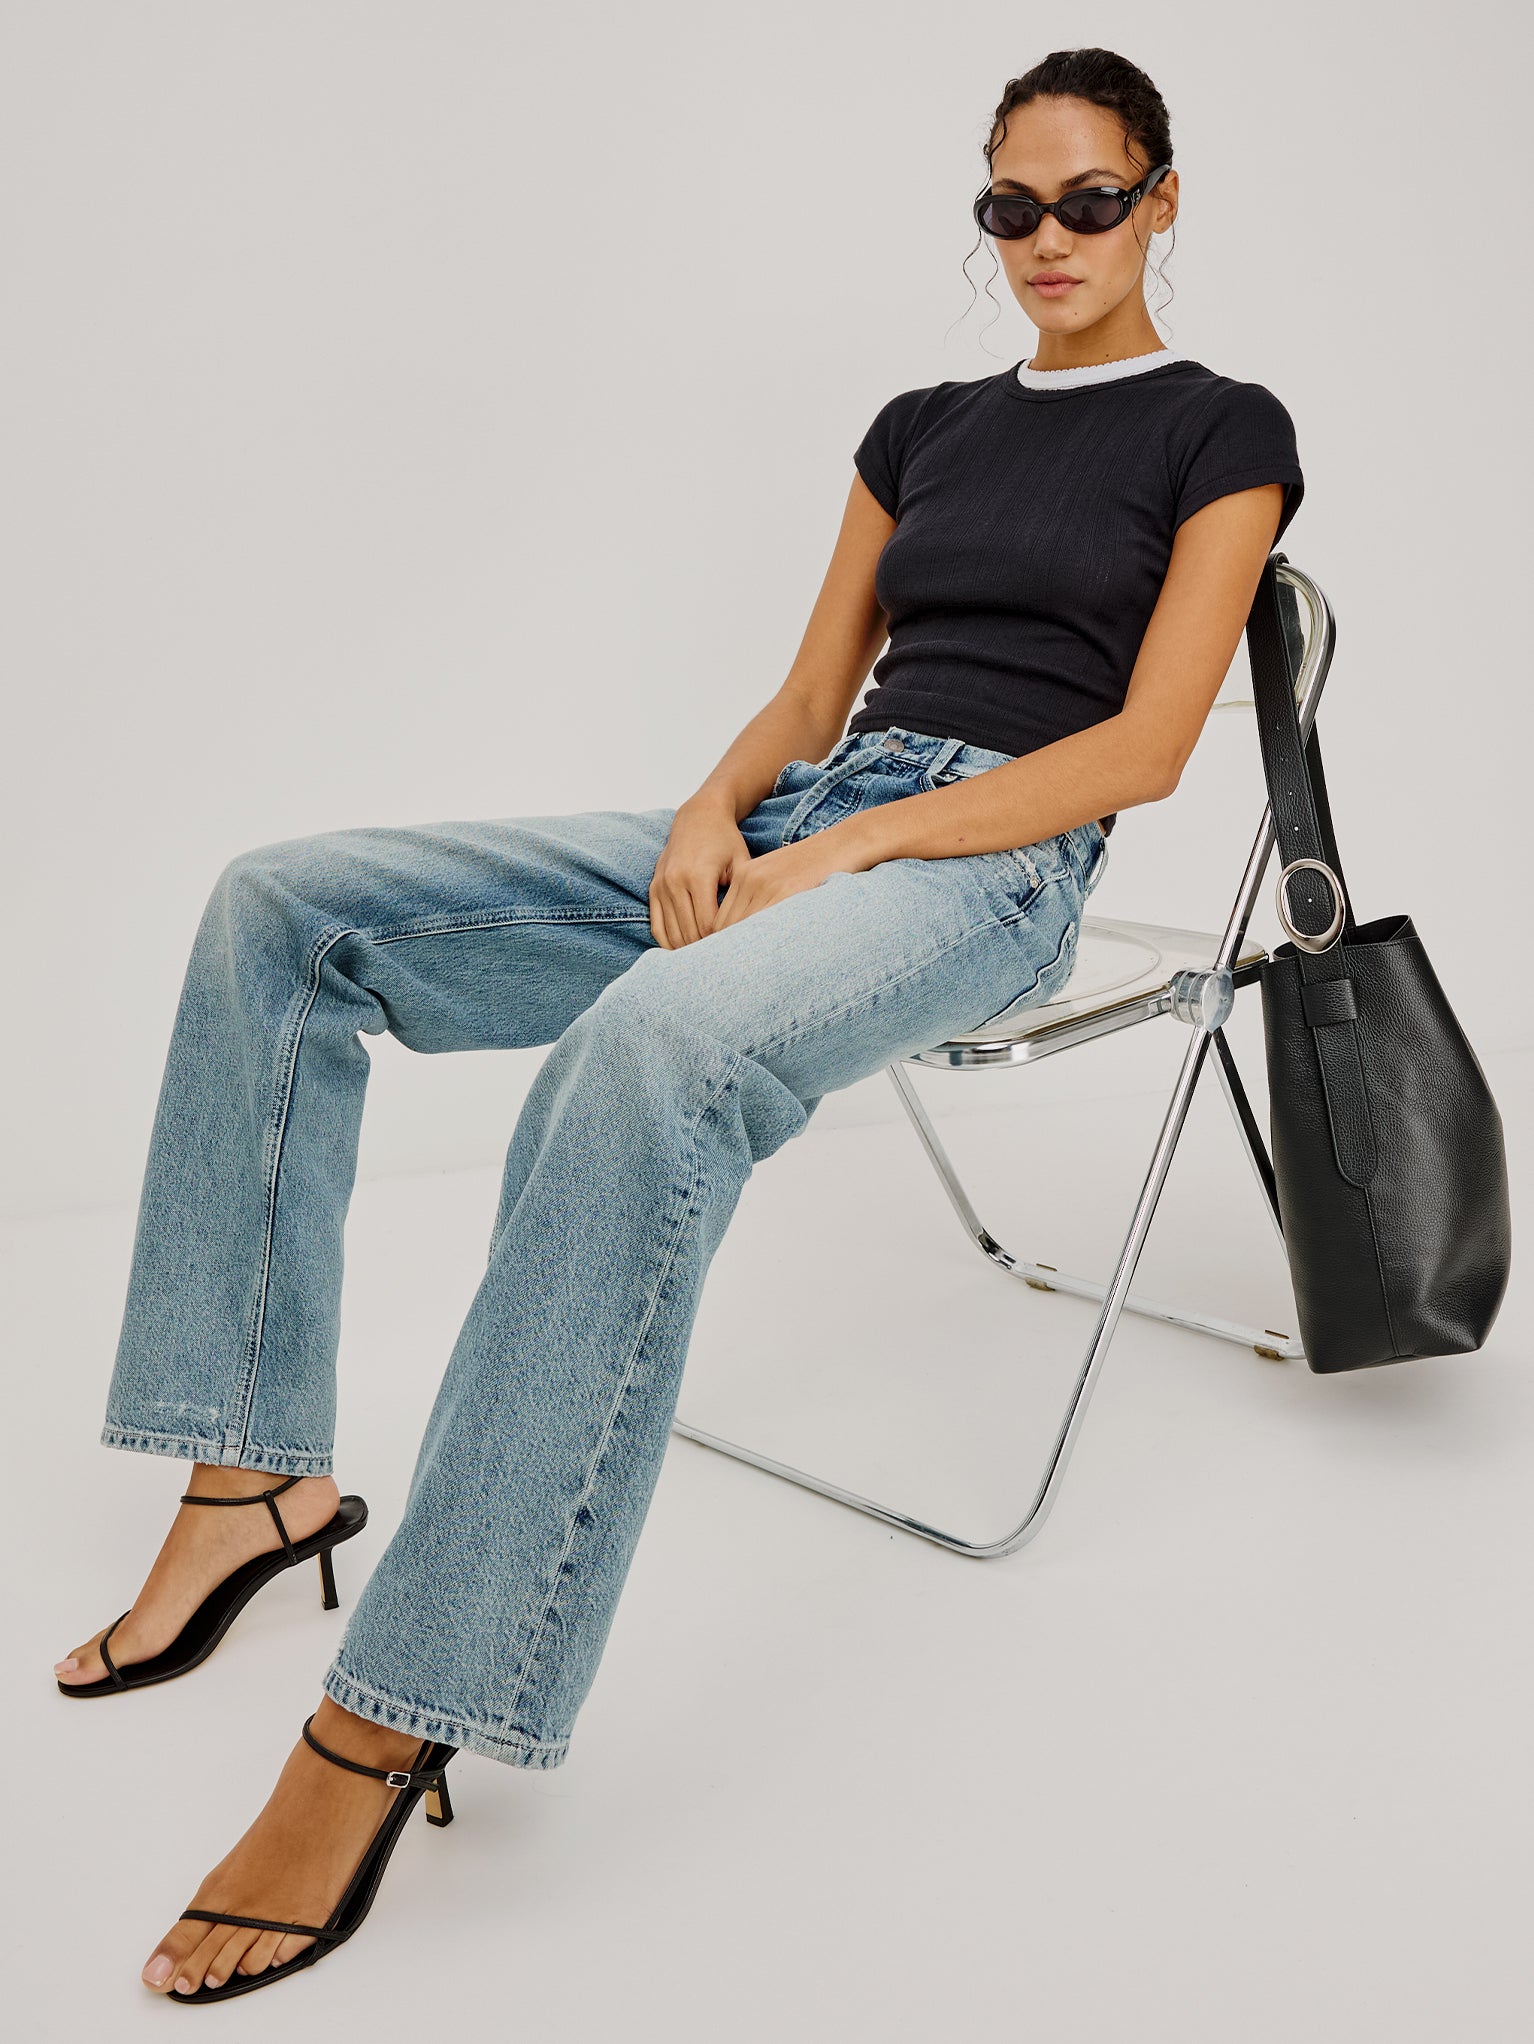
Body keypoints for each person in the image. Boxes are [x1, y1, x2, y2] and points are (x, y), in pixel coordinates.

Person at [55, 45, 1304, 2003]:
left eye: (1084, 199)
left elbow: (1138, 750)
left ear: (1159, 198)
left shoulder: (1221, 428)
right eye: (1007, 206)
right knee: (279, 907)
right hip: (821, 814)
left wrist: (860, 848)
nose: (1045, 240)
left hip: (987, 863)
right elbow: (813, 693)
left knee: (641, 1053)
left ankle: (400, 1704)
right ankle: (246, 1475)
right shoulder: (919, 424)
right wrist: (728, 810)